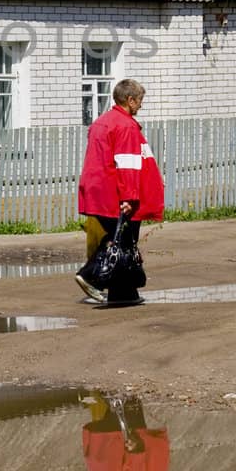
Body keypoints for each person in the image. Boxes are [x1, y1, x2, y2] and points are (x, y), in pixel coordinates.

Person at [76, 78, 165, 306]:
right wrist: (129, 197)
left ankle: (124, 293)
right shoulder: (124, 126)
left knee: (123, 240)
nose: (141, 105)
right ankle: (90, 276)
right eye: (140, 100)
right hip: (115, 194)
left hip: (99, 191)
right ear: (130, 100)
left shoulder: (103, 122)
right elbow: (127, 164)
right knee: (121, 240)